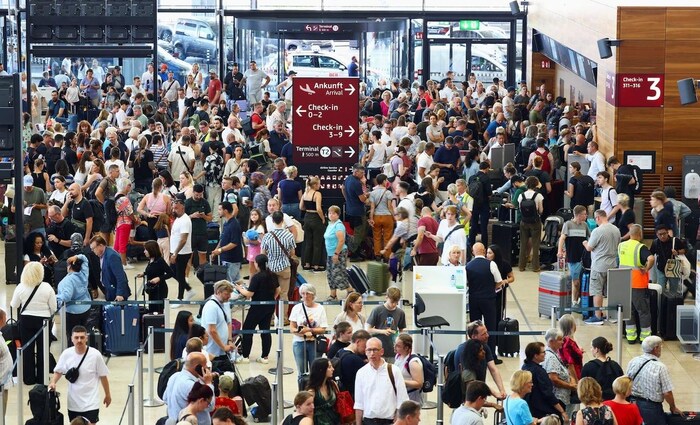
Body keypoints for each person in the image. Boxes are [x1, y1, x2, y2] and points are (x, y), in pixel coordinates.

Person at [49, 326, 111, 424]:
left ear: (86, 338)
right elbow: (59, 371)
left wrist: (107, 394)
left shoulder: (95, 355)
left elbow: (103, 376)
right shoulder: (66, 354)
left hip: (91, 403)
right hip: (74, 403)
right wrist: (53, 382)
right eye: (76, 337)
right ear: (72, 339)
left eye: (82, 337)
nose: (79, 340)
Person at [10, 261, 57, 385]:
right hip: (44, 321)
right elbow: (53, 307)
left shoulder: (21, 287)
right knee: (43, 349)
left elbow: (14, 305)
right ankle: (42, 377)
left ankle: (28, 378)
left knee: (27, 349)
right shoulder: (47, 287)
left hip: (26, 320)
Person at [234, 254, 279, 364]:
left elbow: (249, 294)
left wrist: (239, 289)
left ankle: (245, 356)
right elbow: (278, 290)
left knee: (247, 329)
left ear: (257, 264)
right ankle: (265, 356)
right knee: (265, 330)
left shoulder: (257, 277)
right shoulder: (272, 275)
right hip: (269, 306)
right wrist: (272, 298)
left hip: (257, 307)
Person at [627, 336, 682, 424]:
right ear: (656, 348)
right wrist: (673, 407)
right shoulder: (660, 367)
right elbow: (667, 393)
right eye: (661, 346)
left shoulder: (633, 361)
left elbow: (627, 381)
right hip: (651, 408)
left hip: (632, 403)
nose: (661, 348)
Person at [353, 337, 409, 424]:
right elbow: (359, 403)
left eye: (375, 350)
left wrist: (398, 420)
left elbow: (402, 399)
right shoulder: (361, 373)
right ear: (365, 352)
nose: (372, 353)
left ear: (382, 351)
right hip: (369, 421)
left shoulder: (394, 370)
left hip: (389, 421)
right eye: (369, 350)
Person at [466, 242, 505, 360]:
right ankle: (491, 355)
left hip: (474, 299)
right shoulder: (491, 264)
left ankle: (475, 352)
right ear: (483, 251)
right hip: (488, 300)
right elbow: (499, 282)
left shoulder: (468, 266)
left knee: (475, 328)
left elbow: (466, 283)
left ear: (473, 252)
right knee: (490, 327)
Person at [582, 210, 621, 324]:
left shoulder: (597, 231)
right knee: (611, 291)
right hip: (613, 264)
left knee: (597, 290)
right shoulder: (616, 229)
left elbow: (589, 248)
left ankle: (598, 316)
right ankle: (613, 316)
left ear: (597, 218)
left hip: (599, 265)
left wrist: (585, 242)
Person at [618, 224, 654, 343]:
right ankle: (645, 338)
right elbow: (651, 259)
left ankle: (631, 337)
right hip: (638, 284)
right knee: (643, 311)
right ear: (640, 234)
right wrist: (646, 269)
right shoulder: (640, 247)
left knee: (629, 311)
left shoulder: (621, 246)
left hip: (623, 283)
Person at [261, 211, 296, 325]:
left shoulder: (267, 236)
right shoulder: (289, 235)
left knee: (270, 293)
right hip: (285, 267)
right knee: (284, 294)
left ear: (272, 221)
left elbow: (262, 254)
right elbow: (292, 253)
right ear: (283, 220)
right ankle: (284, 319)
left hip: (271, 268)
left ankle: (270, 318)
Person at [163, 352, 215, 425]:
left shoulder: (174, 376)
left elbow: (165, 398)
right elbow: (210, 406)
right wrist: (209, 383)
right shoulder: (190, 385)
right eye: (205, 364)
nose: (207, 367)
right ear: (197, 367)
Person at [289, 283, 328, 380]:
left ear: (313, 294)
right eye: (303, 294)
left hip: (314, 342)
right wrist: (300, 332)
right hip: (299, 342)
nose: (306, 296)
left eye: (308, 293)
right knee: (301, 372)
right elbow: (292, 327)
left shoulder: (320, 308)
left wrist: (310, 330)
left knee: (315, 371)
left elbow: (323, 328)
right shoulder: (296, 308)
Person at [521, 342, 567, 421]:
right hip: (540, 409)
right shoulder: (539, 372)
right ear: (535, 356)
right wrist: (562, 411)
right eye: (543, 352)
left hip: (529, 406)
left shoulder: (525, 366)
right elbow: (548, 394)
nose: (545, 354)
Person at [557, 205, 590, 307]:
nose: (586, 216)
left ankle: (580, 300)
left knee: (583, 280)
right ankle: (574, 301)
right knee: (576, 282)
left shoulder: (585, 225)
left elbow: (590, 238)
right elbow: (562, 238)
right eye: (584, 214)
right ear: (579, 215)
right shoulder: (568, 224)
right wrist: (560, 251)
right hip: (573, 257)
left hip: (584, 258)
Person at [56, 254, 90, 346]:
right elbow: (85, 259)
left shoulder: (67, 281)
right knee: (82, 334)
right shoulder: (83, 274)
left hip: (72, 313)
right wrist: (77, 257)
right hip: (85, 309)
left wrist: (55, 298)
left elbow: (66, 297)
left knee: (73, 337)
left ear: (69, 266)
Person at [543, 328, 577, 418]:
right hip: (558, 398)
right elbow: (553, 379)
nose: (562, 342)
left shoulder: (555, 354)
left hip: (563, 397)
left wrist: (572, 379)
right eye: (560, 339)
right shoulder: (551, 358)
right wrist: (570, 386)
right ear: (551, 341)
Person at [200, 281, 236, 365]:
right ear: (218, 292)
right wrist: (223, 347)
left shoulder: (225, 304)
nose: (229, 297)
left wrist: (229, 340)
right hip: (213, 351)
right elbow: (212, 330)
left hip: (223, 349)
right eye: (226, 294)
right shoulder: (211, 306)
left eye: (230, 294)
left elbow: (229, 323)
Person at [366, 286, 406, 360]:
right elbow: (368, 329)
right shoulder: (377, 310)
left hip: (393, 351)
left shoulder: (400, 312)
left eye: (396, 302)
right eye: (392, 302)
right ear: (386, 297)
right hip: (378, 350)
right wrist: (382, 331)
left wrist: (397, 336)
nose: (394, 304)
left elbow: (401, 331)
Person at [170, 199, 196, 306]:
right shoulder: (178, 219)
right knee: (173, 272)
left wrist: (175, 253)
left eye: (176, 207)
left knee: (180, 274)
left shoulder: (185, 220)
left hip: (182, 253)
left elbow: (183, 239)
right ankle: (189, 289)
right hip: (175, 251)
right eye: (173, 207)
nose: (174, 209)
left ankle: (180, 298)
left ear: (182, 207)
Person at [581, 337, 623, 401]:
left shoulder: (588, 367)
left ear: (596, 349)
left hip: (596, 402)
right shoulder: (615, 365)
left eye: (591, 347)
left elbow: (583, 388)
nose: (591, 349)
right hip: (614, 402)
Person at [89, 235, 130, 302]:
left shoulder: (112, 256)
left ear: (101, 246)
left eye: (94, 248)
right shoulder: (102, 255)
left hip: (117, 293)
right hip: (109, 290)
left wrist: (119, 294)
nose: (93, 251)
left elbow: (120, 277)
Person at [324, 205, 352, 300]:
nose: (331, 215)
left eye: (334, 213)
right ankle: (333, 294)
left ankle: (350, 290)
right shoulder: (330, 224)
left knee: (338, 274)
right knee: (330, 274)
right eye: (330, 213)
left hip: (338, 253)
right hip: (330, 253)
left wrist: (336, 254)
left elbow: (341, 240)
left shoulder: (339, 225)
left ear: (338, 215)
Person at [138, 240, 174, 314]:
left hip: (159, 290)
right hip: (152, 290)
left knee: (158, 311)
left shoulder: (160, 260)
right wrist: (144, 273)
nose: (144, 251)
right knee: (152, 309)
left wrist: (159, 278)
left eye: (146, 250)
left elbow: (171, 273)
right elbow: (152, 270)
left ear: (151, 250)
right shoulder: (150, 260)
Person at [212, 201, 243, 285]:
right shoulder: (226, 223)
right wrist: (216, 250)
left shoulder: (234, 224)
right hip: (226, 258)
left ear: (225, 211)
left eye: (219, 209)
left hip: (232, 259)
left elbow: (234, 243)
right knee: (236, 281)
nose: (218, 211)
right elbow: (222, 238)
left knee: (229, 283)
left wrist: (221, 250)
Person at [341, 163, 368, 261]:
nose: (363, 175)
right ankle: (354, 254)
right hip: (358, 212)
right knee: (359, 233)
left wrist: (347, 199)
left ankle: (356, 252)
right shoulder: (357, 183)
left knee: (355, 233)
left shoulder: (348, 179)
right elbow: (362, 199)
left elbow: (342, 188)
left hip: (350, 210)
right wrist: (366, 193)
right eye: (362, 173)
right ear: (356, 172)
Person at [650, 224, 687, 296]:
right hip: (660, 268)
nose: (662, 236)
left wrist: (678, 252)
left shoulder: (675, 240)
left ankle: (671, 305)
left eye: (664, 233)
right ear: (657, 234)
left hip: (673, 268)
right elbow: (651, 253)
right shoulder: (655, 242)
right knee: (661, 289)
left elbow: (685, 250)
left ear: (667, 233)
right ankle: (662, 305)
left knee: (673, 290)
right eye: (660, 234)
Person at [518, 176, 544, 272]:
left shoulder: (521, 195)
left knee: (523, 243)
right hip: (535, 222)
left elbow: (520, 209)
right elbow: (541, 210)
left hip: (524, 221)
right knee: (536, 244)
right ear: (536, 184)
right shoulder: (538, 196)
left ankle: (521, 266)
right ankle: (535, 267)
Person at [300, 176, 325, 272]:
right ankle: (316, 265)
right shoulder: (317, 194)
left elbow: (301, 207)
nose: (320, 185)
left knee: (308, 242)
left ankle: (307, 263)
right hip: (315, 218)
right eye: (319, 184)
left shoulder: (305, 193)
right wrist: (322, 218)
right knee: (317, 243)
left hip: (307, 217)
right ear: (315, 185)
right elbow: (318, 208)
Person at [305, 358, 340, 425]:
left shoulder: (332, 384)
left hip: (335, 420)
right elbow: (309, 412)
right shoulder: (312, 391)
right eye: (329, 367)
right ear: (321, 370)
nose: (333, 369)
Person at [393, 334, 424, 405]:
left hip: (412, 396)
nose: (394, 347)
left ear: (406, 348)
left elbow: (419, 383)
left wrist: (401, 381)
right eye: (395, 344)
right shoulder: (398, 356)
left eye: (398, 346)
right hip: (402, 395)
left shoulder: (413, 362)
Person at [558, 315, 583, 382]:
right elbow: (569, 364)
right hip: (573, 376)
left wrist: (579, 351)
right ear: (572, 326)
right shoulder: (567, 342)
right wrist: (576, 381)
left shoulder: (570, 340)